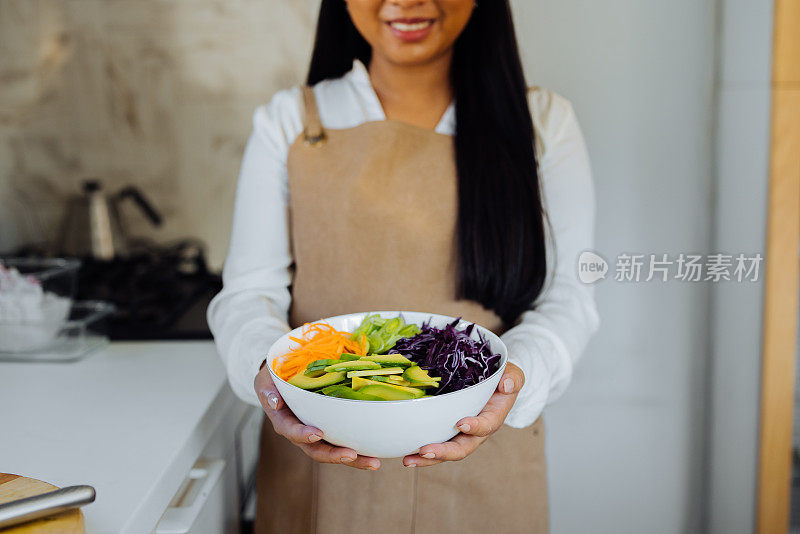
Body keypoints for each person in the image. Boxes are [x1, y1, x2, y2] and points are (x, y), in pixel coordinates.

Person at [208, 0, 599, 532]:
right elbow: (249, 292)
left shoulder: (543, 122)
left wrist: (509, 384)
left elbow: (568, 296)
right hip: (320, 459)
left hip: (488, 461)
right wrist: (272, 377)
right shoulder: (290, 121)